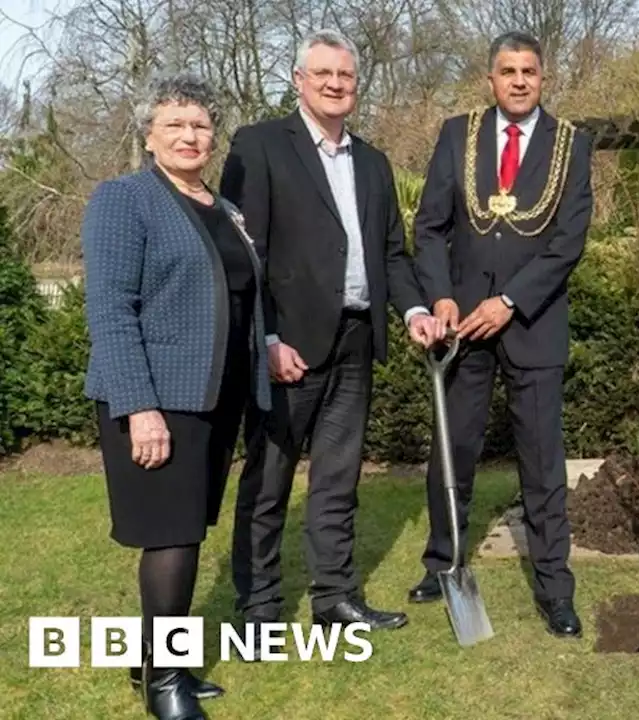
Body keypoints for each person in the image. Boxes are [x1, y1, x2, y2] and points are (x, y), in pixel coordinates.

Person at [219, 29, 446, 646]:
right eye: (322, 74)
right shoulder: (260, 146)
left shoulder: (372, 162)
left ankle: (335, 599)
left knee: (338, 479)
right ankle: (260, 603)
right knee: (269, 479)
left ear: (355, 84)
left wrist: (414, 311)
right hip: (287, 345)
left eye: (345, 76)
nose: (335, 84)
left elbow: (392, 255)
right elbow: (244, 254)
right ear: (299, 80)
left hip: (355, 340)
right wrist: (264, 338)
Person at [82, 74, 271, 719]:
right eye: (175, 125)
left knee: (187, 530)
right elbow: (110, 310)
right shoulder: (124, 199)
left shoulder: (223, 208)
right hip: (158, 399)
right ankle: (166, 681)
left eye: (200, 125)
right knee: (173, 538)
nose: (190, 136)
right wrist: (140, 408)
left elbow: (238, 299)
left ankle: (150, 660)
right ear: (148, 134)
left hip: (215, 397)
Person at [405, 31, 593, 638]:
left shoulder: (573, 144)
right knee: (452, 449)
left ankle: (554, 588)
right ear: (490, 79)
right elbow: (430, 227)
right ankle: (444, 564)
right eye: (507, 71)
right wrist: (440, 296)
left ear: (543, 78)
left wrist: (510, 301)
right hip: (460, 325)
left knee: (540, 462)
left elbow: (568, 240)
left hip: (531, 325)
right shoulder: (458, 135)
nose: (518, 80)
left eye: (529, 71)